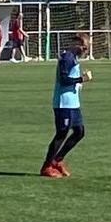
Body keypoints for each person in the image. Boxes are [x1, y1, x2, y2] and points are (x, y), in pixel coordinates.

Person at [41, 35, 93, 177]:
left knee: (79, 132)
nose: (85, 51)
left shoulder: (73, 58)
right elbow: (64, 79)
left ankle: (57, 160)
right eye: (84, 47)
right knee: (61, 134)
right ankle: (46, 166)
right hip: (63, 103)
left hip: (73, 103)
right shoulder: (67, 58)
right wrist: (82, 79)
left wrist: (78, 81)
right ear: (76, 44)